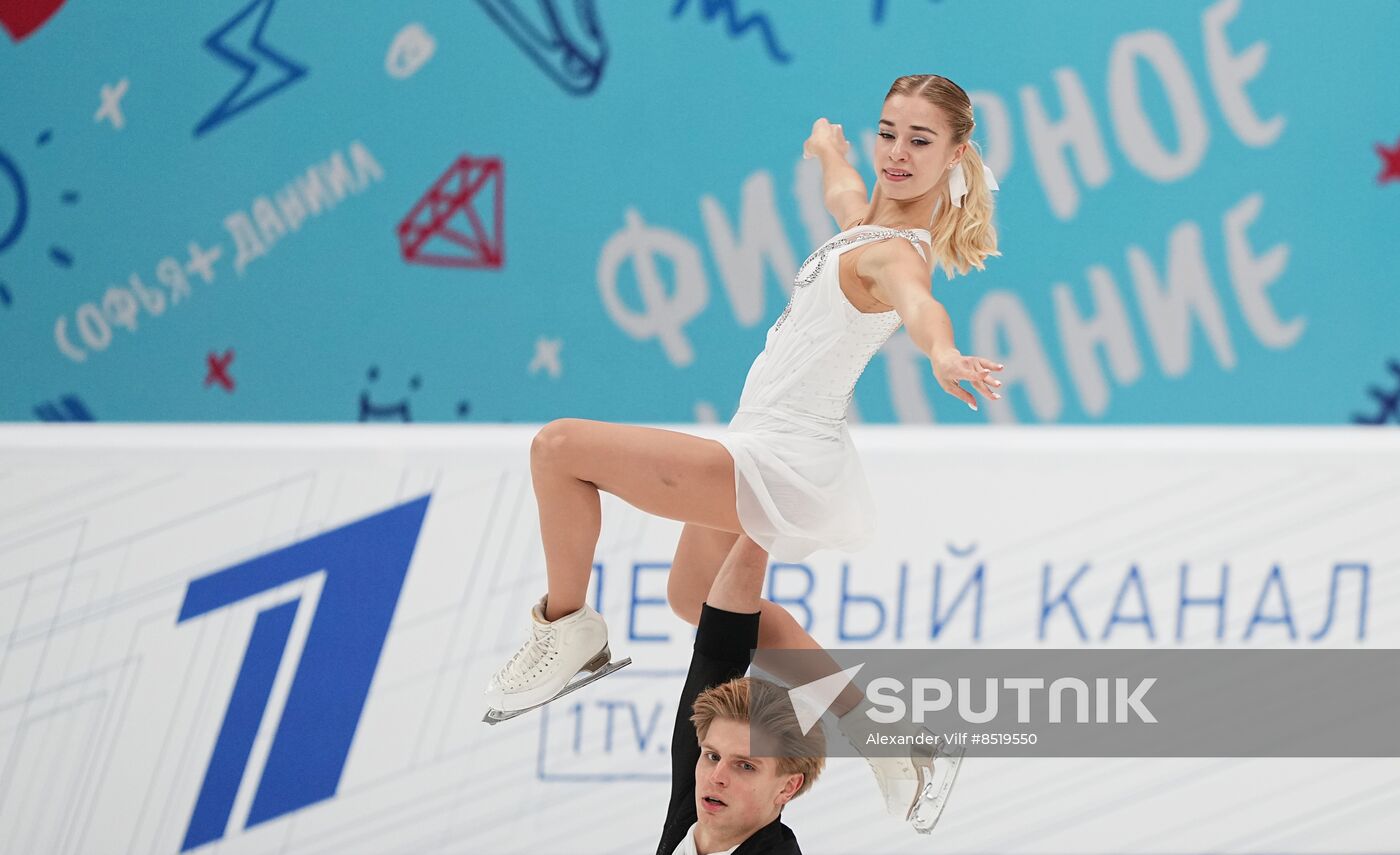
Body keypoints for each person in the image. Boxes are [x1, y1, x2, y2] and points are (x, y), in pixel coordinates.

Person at [485, 72, 1000, 825]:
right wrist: (829, 150)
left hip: (778, 453)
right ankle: (891, 737)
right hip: (765, 441)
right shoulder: (864, 225)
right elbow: (843, 194)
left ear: (955, 154)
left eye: (920, 140)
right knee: (695, 596)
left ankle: (567, 629)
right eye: (888, 131)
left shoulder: (895, 255)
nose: (896, 151)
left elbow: (921, 305)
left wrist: (945, 354)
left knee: (559, 448)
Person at [657, 534, 824, 855]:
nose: (715, 777)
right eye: (712, 756)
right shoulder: (695, 814)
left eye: (745, 766)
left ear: (788, 786)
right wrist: (762, 525)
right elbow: (720, 644)